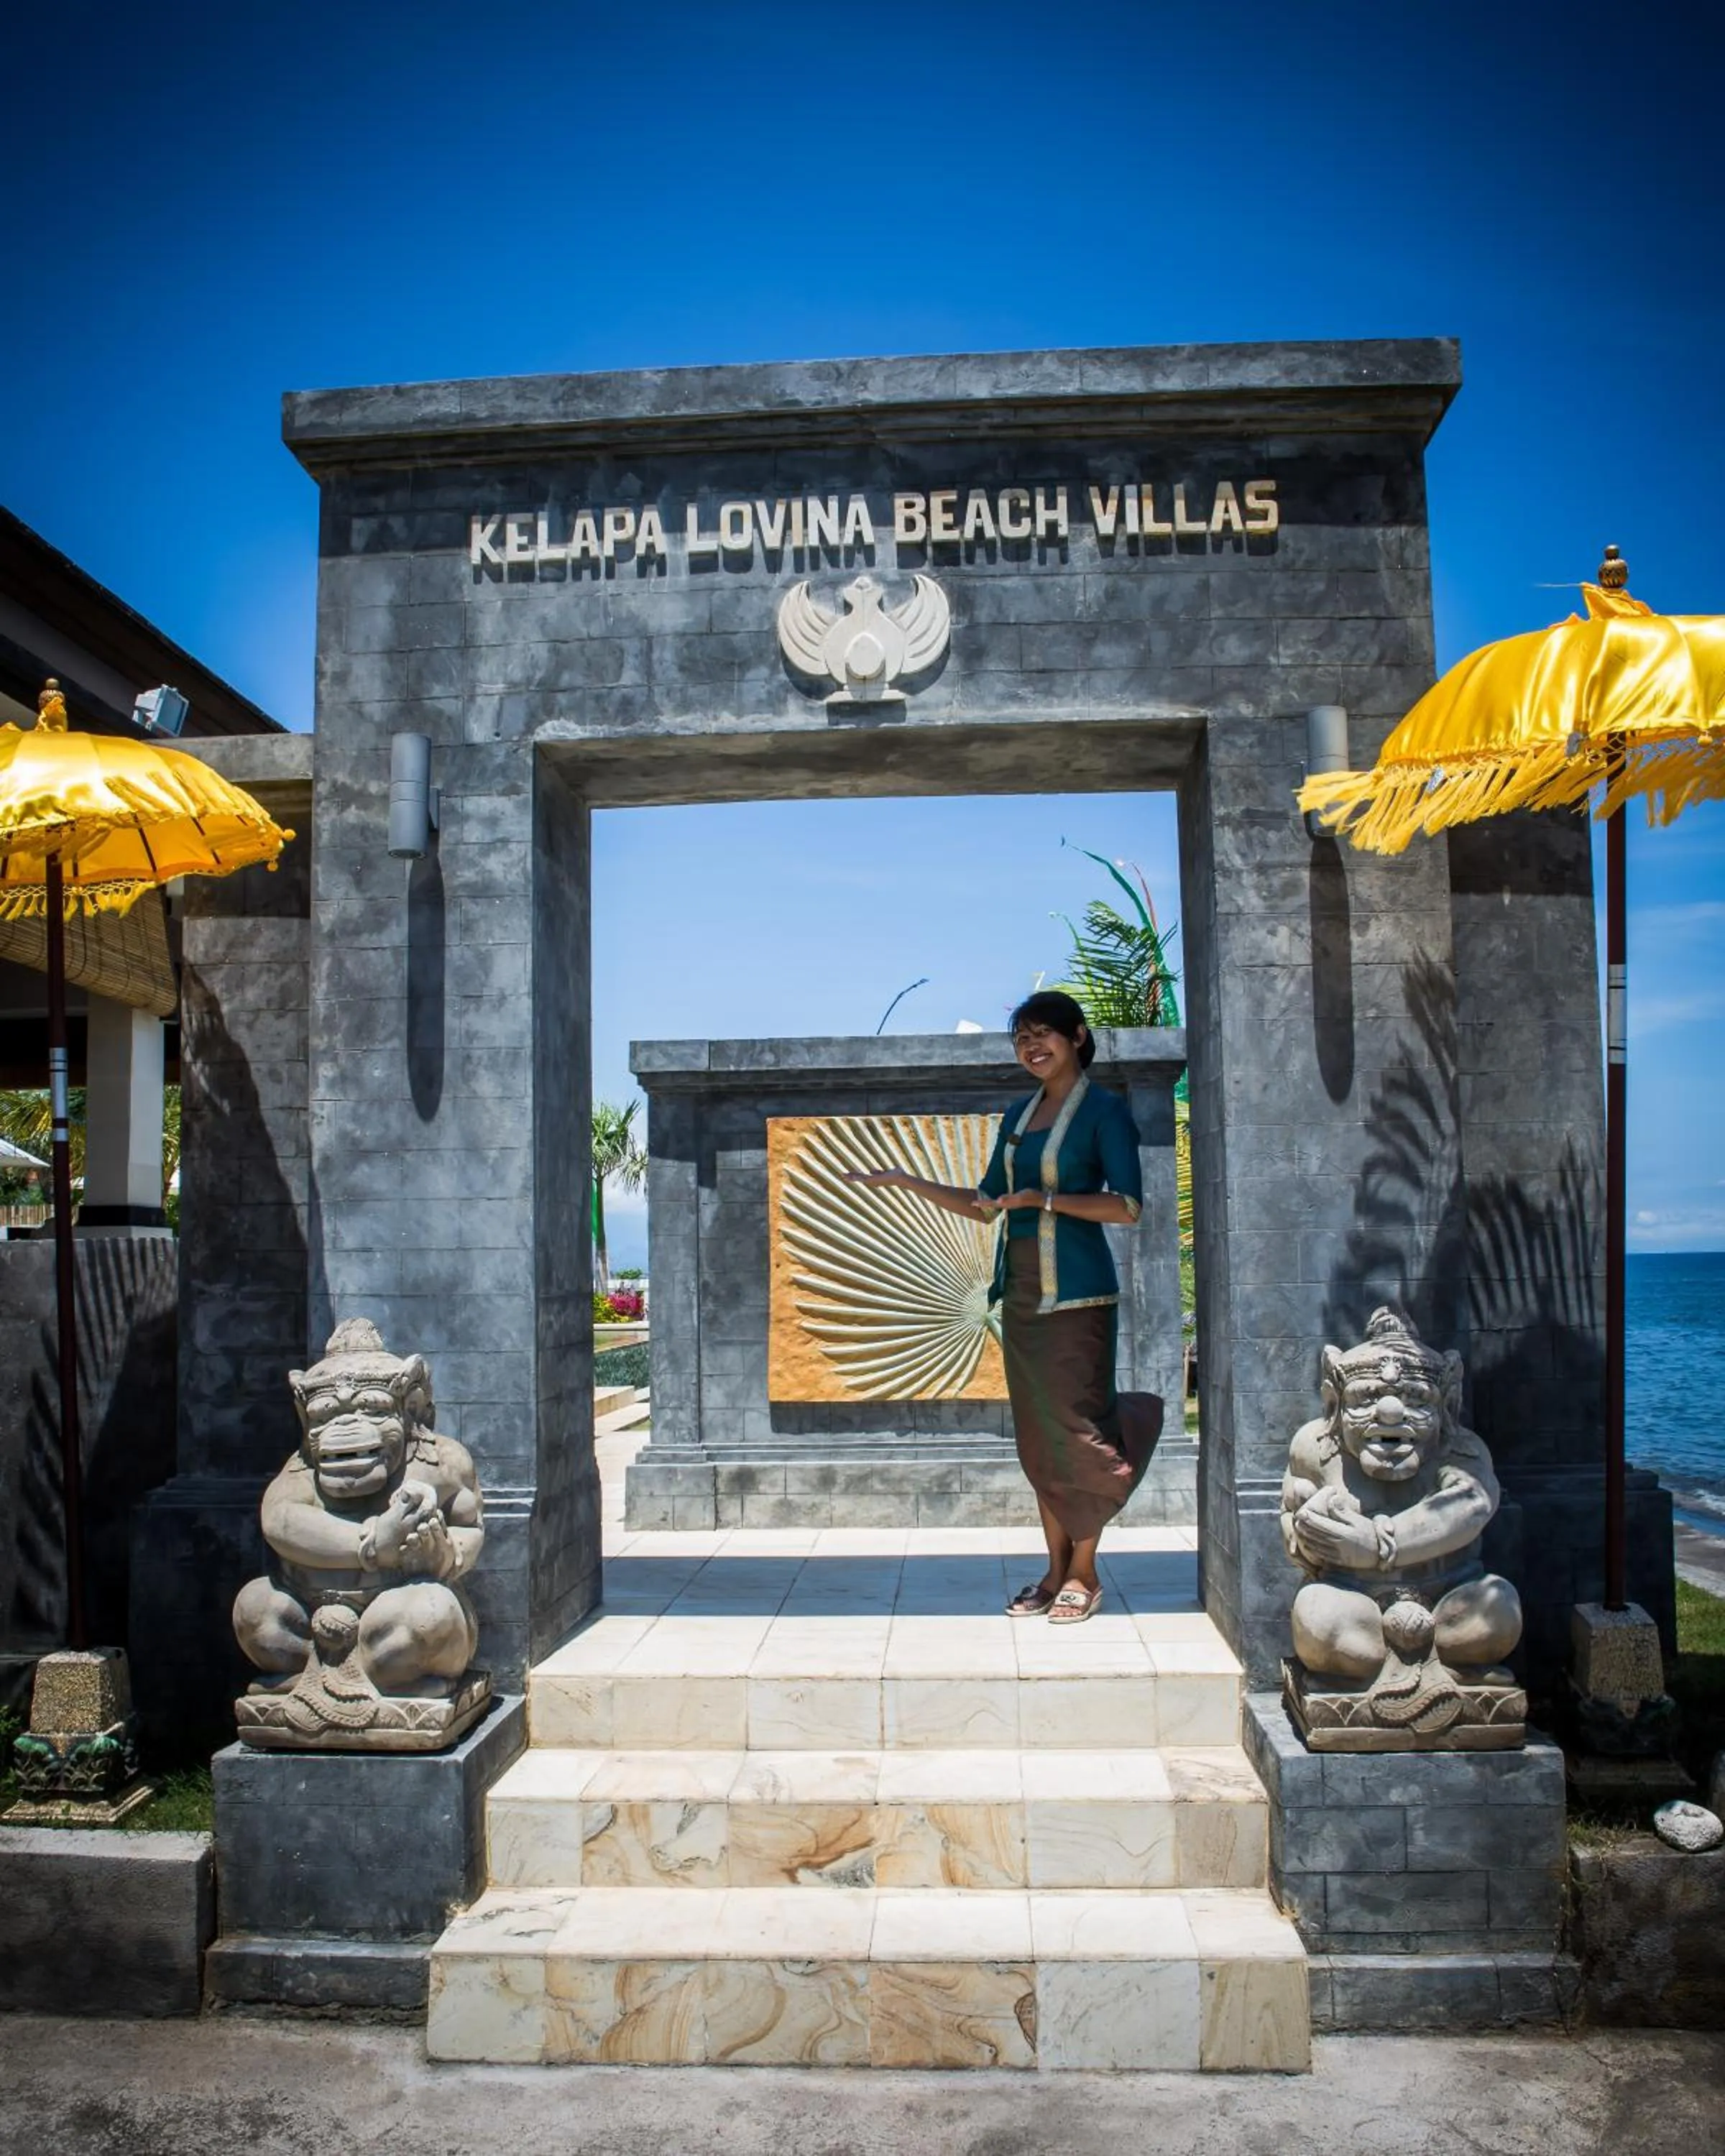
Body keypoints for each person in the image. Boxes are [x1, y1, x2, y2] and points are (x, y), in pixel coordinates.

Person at [847, 990, 1161, 1623]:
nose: (1031, 1047)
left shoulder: (1105, 1112)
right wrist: (907, 1183)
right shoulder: (1019, 1116)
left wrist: (1046, 1203)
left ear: (1076, 1036)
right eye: (1021, 1039)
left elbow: (1127, 1206)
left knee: (1081, 1435)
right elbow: (989, 1201)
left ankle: (1085, 1571)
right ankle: (1052, 1571)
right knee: (1040, 1442)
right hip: (1019, 1300)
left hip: (1078, 1297)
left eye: (1043, 1034)